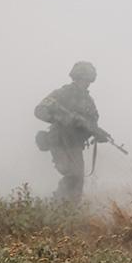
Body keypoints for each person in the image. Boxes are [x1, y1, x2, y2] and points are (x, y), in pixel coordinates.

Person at [34, 61, 111, 202]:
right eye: (83, 80)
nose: (86, 83)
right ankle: (58, 207)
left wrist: (97, 134)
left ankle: (70, 211)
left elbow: (92, 123)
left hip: (75, 145)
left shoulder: (88, 101)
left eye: (88, 81)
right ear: (76, 78)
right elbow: (39, 110)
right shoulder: (61, 94)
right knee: (72, 175)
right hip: (59, 141)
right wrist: (61, 118)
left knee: (78, 180)